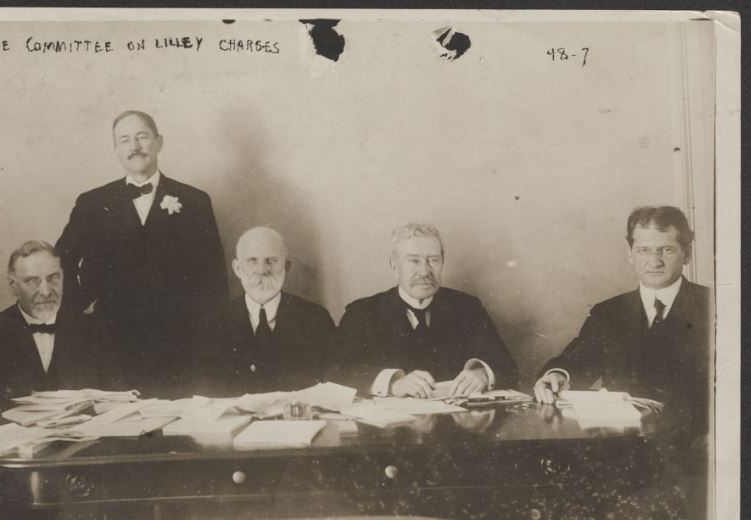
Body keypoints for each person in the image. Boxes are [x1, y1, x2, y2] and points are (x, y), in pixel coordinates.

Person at [56, 110, 228, 397]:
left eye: (142, 137)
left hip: (179, 342)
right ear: (116, 149)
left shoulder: (195, 201)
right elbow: (60, 263)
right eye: (124, 140)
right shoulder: (92, 203)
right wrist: (81, 309)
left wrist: (207, 336)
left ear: (159, 142)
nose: (134, 147)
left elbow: (214, 277)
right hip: (111, 340)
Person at [533, 206, 712, 427]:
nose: (654, 261)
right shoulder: (608, 313)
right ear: (630, 255)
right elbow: (576, 360)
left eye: (666, 250)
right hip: (622, 439)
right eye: (644, 250)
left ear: (687, 254)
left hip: (697, 438)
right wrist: (558, 375)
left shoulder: (716, 308)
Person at [329, 223, 518, 397]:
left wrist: (482, 374)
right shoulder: (363, 313)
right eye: (414, 261)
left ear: (442, 263)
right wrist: (393, 383)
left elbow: (507, 367)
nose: (425, 271)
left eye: (433, 260)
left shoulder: (467, 308)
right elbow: (336, 372)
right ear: (395, 266)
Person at [0, 241, 122, 407]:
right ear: (13, 286)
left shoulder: (94, 331)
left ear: (63, 278)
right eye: (33, 281)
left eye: (53, 278)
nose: (46, 291)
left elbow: (117, 401)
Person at [192, 227, 335, 396]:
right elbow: (206, 393)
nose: (262, 270)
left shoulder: (316, 319)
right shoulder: (213, 323)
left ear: (286, 267)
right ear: (237, 268)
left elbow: (328, 390)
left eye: (271, 261)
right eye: (252, 260)